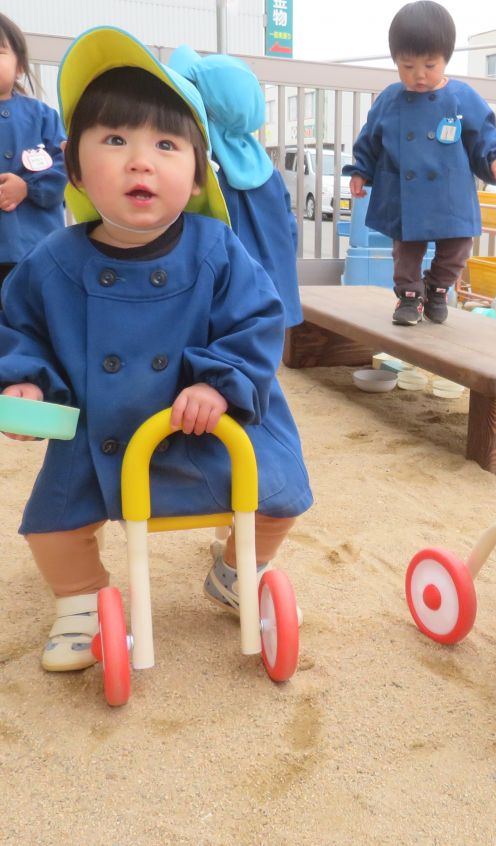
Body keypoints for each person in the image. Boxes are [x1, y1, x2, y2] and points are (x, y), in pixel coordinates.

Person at [0, 27, 312, 672]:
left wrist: (217, 381)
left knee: (280, 498)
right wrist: (26, 381)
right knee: (51, 528)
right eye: (115, 140)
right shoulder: (53, 260)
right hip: (100, 433)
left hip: (206, 426)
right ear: (75, 163)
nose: (140, 160)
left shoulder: (216, 248)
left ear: (196, 171)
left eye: (165, 145)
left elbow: (258, 320)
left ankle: (234, 569)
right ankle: (82, 601)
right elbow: (20, 327)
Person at [344, 1, 496, 326]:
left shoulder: (462, 98)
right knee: (405, 251)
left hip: (450, 194)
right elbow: (370, 138)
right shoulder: (390, 99)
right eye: (407, 66)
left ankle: (436, 288)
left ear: (445, 59)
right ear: (395, 60)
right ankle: (409, 297)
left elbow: (484, 136)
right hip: (404, 193)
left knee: (458, 247)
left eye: (429, 65)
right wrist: (360, 169)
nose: (419, 75)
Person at [167, 45, 302, 328]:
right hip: (272, 289)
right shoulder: (266, 168)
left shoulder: (204, 166)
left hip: (226, 294)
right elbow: (289, 230)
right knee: (261, 352)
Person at [0, 13, 67, 297]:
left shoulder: (42, 116)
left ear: (19, 67)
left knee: (34, 317)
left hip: (36, 245)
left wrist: (28, 187)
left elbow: (66, 164)